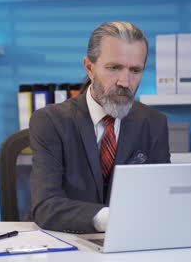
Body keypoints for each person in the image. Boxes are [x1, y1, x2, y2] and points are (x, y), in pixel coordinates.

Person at [29, 21, 170, 234]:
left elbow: (163, 197)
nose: (125, 81)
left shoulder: (154, 123)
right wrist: (108, 218)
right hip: (65, 241)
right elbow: (46, 206)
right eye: (114, 68)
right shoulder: (49, 121)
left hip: (131, 242)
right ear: (89, 68)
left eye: (135, 70)